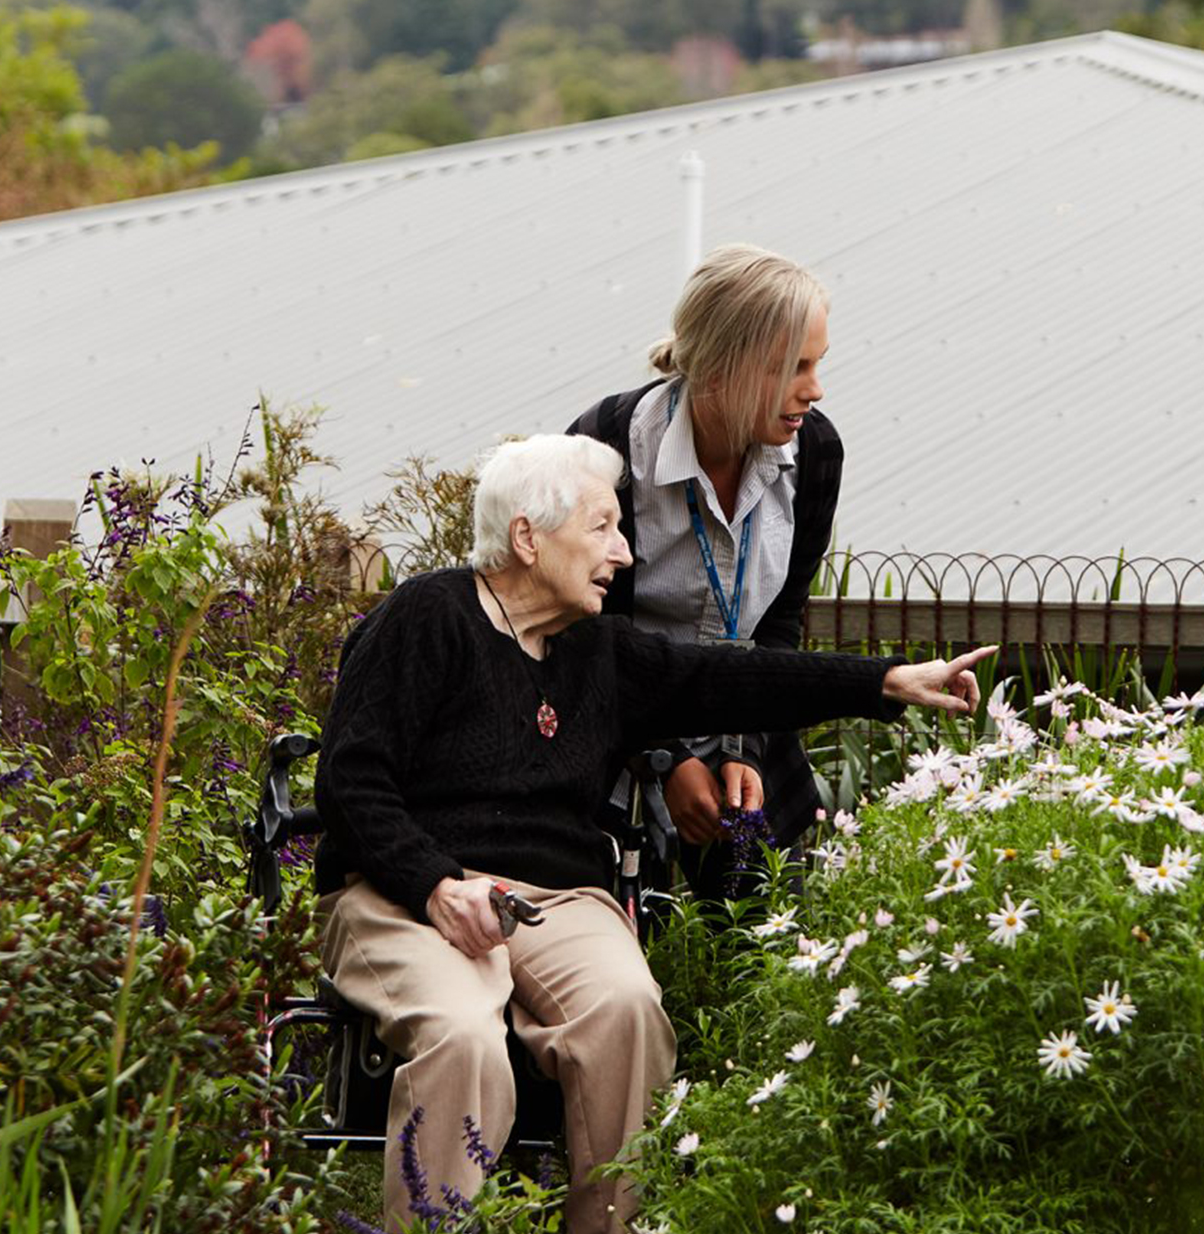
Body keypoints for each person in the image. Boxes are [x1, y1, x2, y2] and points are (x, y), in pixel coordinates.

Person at [312, 434, 987, 1233]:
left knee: (627, 1011)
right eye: (602, 528)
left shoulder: (596, 651)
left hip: (554, 900)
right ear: (528, 537)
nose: (626, 554)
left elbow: (725, 677)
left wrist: (882, 681)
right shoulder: (427, 617)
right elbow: (350, 782)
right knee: (464, 1037)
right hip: (405, 896)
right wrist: (434, 882)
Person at [566, 243, 839, 900]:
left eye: (818, 364)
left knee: (759, 958)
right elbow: (586, 631)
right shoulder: (604, 444)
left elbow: (781, 621)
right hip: (613, 742)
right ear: (724, 368)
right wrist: (667, 760)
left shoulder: (816, 451)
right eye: (795, 368)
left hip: (744, 734)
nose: (815, 388)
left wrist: (743, 749)